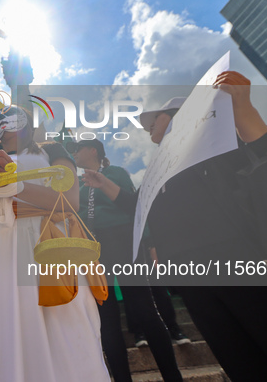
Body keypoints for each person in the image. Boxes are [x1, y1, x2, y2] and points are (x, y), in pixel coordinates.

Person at [82, 71, 267, 381]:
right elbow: (139, 209)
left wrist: (243, 108)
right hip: (191, 277)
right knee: (241, 362)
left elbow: (265, 153)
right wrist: (103, 185)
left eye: (158, 116)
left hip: (243, 261)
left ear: (182, 116)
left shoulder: (213, 142)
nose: (148, 123)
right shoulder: (158, 168)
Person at [0, 106, 110, 382]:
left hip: (39, 246)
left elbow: (69, 201)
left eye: (13, 120)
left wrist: (13, 181)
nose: (5, 126)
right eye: (0, 121)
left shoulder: (52, 149)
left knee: (57, 335)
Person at [68, 139, 182, 382]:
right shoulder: (75, 183)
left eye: (78, 149)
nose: (74, 153)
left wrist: (150, 243)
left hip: (122, 241)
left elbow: (134, 206)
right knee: (106, 320)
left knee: (144, 309)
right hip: (93, 251)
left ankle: (173, 377)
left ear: (93, 150)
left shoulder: (115, 172)